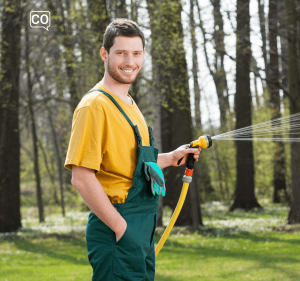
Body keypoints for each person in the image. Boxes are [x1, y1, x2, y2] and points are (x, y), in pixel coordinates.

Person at [64, 18, 201, 281]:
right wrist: (121, 228)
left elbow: (129, 165)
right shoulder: (94, 106)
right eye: (121, 53)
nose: (130, 61)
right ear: (104, 54)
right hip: (118, 227)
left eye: (136, 53)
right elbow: (81, 177)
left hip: (142, 227)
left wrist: (170, 158)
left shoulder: (129, 103)